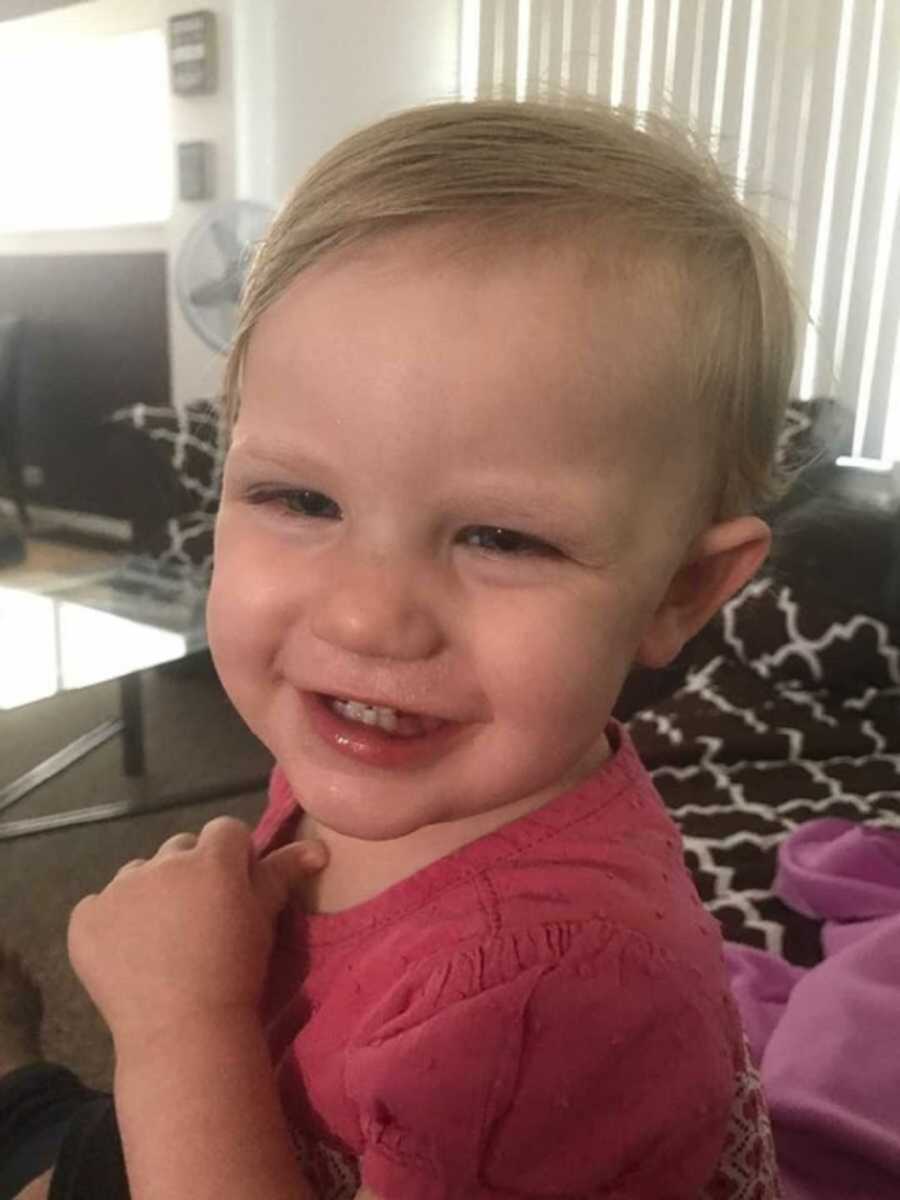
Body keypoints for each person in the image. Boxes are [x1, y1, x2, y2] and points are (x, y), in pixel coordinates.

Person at [0, 97, 792, 1199]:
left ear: (683, 588)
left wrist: (179, 1020)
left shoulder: (549, 1003)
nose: (369, 619)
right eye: (300, 497)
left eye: (503, 536)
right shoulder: (407, 751)